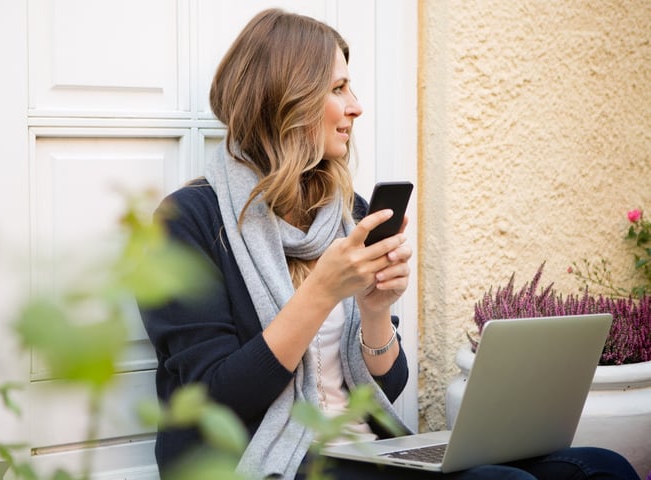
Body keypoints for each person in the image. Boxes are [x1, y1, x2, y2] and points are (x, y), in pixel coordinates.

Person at [139, 8, 640, 480]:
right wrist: (322, 293)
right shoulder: (189, 222)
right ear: (284, 98)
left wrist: (377, 311)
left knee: (602, 465)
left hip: (362, 446)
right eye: (338, 87)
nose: (356, 105)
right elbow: (214, 399)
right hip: (268, 458)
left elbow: (387, 385)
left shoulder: (345, 210)